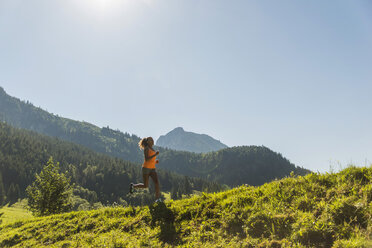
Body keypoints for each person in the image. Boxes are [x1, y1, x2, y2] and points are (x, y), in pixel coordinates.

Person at [130, 137, 161, 201]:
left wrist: (155, 161)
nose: (152, 140)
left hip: (152, 168)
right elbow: (147, 159)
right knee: (145, 185)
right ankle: (133, 186)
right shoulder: (146, 149)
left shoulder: (152, 149)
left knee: (157, 182)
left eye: (152, 139)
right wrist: (155, 154)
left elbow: (151, 160)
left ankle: (157, 199)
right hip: (146, 168)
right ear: (147, 142)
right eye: (150, 140)